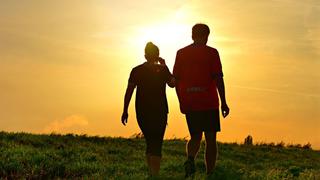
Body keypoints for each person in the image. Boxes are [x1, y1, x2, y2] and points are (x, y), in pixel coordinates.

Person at [173, 23, 230, 177]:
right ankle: (210, 173)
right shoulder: (212, 53)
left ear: (192, 35)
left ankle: (190, 158)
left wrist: (181, 101)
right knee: (211, 139)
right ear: (207, 36)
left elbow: (175, 81)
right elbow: (218, 78)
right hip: (209, 102)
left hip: (190, 103)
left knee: (195, 136)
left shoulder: (181, 53)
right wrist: (223, 102)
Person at [121, 42, 175, 176]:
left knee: (150, 141)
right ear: (157, 55)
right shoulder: (163, 69)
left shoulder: (136, 70)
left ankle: (152, 173)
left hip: (142, 111)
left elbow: (129, 91)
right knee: (156, 142)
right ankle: (154, 174)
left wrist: (125, 110)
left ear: (145, 55)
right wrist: (165, 66)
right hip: (160, 111)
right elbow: (173, 84)